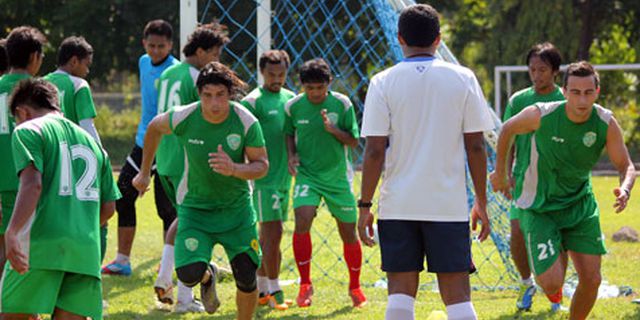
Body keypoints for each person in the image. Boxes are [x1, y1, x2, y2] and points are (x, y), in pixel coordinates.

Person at [357, 4, 494, 320]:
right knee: (458, 296)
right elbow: (476, 146)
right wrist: (482, 203)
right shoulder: (463, 77)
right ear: (439, 38)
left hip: (399, 205)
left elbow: (375, 150)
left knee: (400, 296)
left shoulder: (382, 81)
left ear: (400, 38)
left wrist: (364, 206)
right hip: (447, 205)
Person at [491, 61, 635, 320]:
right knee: (551, 284)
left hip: (580, 206)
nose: (582, 99)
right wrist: (501, 173)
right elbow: (507, 129)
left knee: (592, 280)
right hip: (541, 208)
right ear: (565, 91)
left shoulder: (605, 122)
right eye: (576, 92)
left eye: (588, 92)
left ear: (597, 92)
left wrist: (625, 189)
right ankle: (553, 257)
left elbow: (626, 166)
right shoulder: (541, 115)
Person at [132, 61, 267, 319]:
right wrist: (143, 171)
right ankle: (208, 275)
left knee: (247, 275)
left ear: (230, 94)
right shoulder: (184, 116)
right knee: (188, 274)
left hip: (236, 211)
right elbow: (154, 128)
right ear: (199, 94)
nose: (214, 103)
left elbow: (262, 165)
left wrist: (235, 169)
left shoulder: (245, 121)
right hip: (195, 210)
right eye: (207, 95)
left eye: (220, 95)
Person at [1, 78, 120, 319]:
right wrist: (76, 229)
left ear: (22, 112)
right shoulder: (96, 146)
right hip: (85, 253)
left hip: (39, 246)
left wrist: (12, 232)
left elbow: (33, 184)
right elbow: (109, 208)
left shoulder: (28, 130)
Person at [140, 21, 229, 312]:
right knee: (190, 222)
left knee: (187, 221)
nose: (217, 60)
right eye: (215, 53)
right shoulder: (196, 76)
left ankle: (176, 284)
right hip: (187, 159)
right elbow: (203, 119)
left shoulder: (168, 73)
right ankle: (176, 290)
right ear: (202, 51)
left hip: (165, 156)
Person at [285, 58, 367, 308]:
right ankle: (305, 284)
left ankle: (355, 286)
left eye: (319, 88)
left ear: (328, 83)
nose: (315, 93)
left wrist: (333, 130)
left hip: (338, 178)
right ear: (302, 87)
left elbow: (353, 141)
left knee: (348, 232)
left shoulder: (341, 104)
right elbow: (289, 133)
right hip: (308, 175)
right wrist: (292, 155)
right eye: (309, 88)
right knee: (303, 219)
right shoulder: (293, 107)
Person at [102, 20, 179, 279]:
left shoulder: (176, 71)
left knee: (166, 208)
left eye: (162, 46)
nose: (156, 50)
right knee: (123, 196)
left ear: (171, 45)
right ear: (144, 43)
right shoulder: (143, 62)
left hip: (167, 145)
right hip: (142, 142)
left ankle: (169, 264)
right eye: (152, 45)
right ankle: (122, 260)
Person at [502, 42, 567, 311]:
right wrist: (505, 174)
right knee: (517, 233)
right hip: (523, 182)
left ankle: (556, 295)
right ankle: (527, 282)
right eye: (532, 69)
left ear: (555, 71)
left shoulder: (566, 99)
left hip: (558, 183)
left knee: (559, 238)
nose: (536, 75)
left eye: (542, 69)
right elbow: (507, 140)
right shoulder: (519, 100)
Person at [240, 50, 295, 310]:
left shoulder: (291, 99)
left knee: (270, 236)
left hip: (284, 178)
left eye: (282, 74)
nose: (277, 79)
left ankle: (262, 288)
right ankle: (274, 289)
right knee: (273, 233)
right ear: (262, 72)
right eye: (272, 74)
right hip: (263, 180)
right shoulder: (253, 102)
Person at [0, 26, 47, 278]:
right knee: (26, 247)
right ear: (34, 57)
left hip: (3, 181)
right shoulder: (39, 92)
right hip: (29, 180)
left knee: (5, 245)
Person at [44, 36, 101, 142]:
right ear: (74, 61)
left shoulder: (41, 83)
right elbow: (87, 126)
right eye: (87, 65)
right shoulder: (79, 85)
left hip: (48, 150)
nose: (87, 71)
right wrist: (101, 154)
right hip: (71, 152)